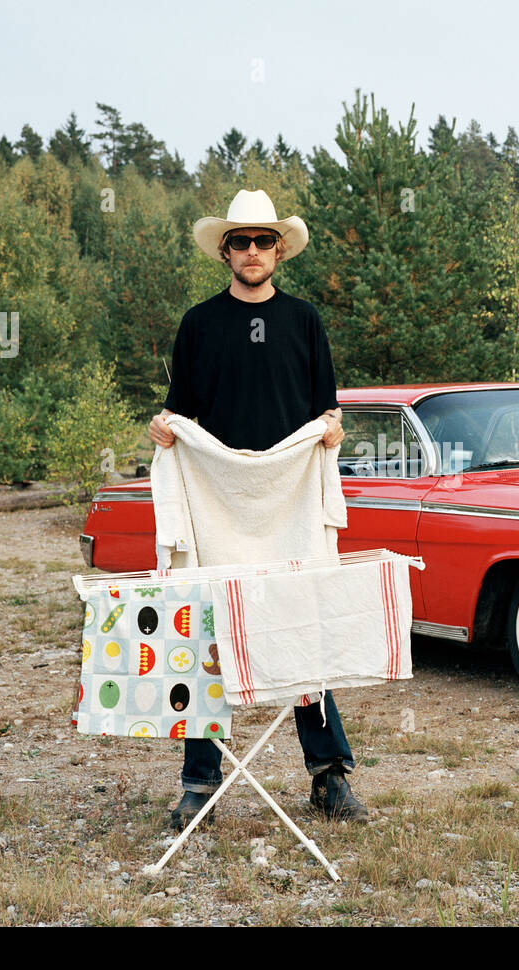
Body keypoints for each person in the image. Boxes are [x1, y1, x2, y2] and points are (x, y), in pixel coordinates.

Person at [149, 189, 368, 828]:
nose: (251, 251)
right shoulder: (199, 323)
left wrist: (332, 430)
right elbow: (179, 414)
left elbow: (326, 411)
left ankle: (329, 777)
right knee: (207, 636)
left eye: (262, 241)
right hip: (217, 505)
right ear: (225, 250)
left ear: (279, 250)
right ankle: (200, 785)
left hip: (288, 501)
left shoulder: (304, 321)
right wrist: (162, 433)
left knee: (300, 630)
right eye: (240, 241)